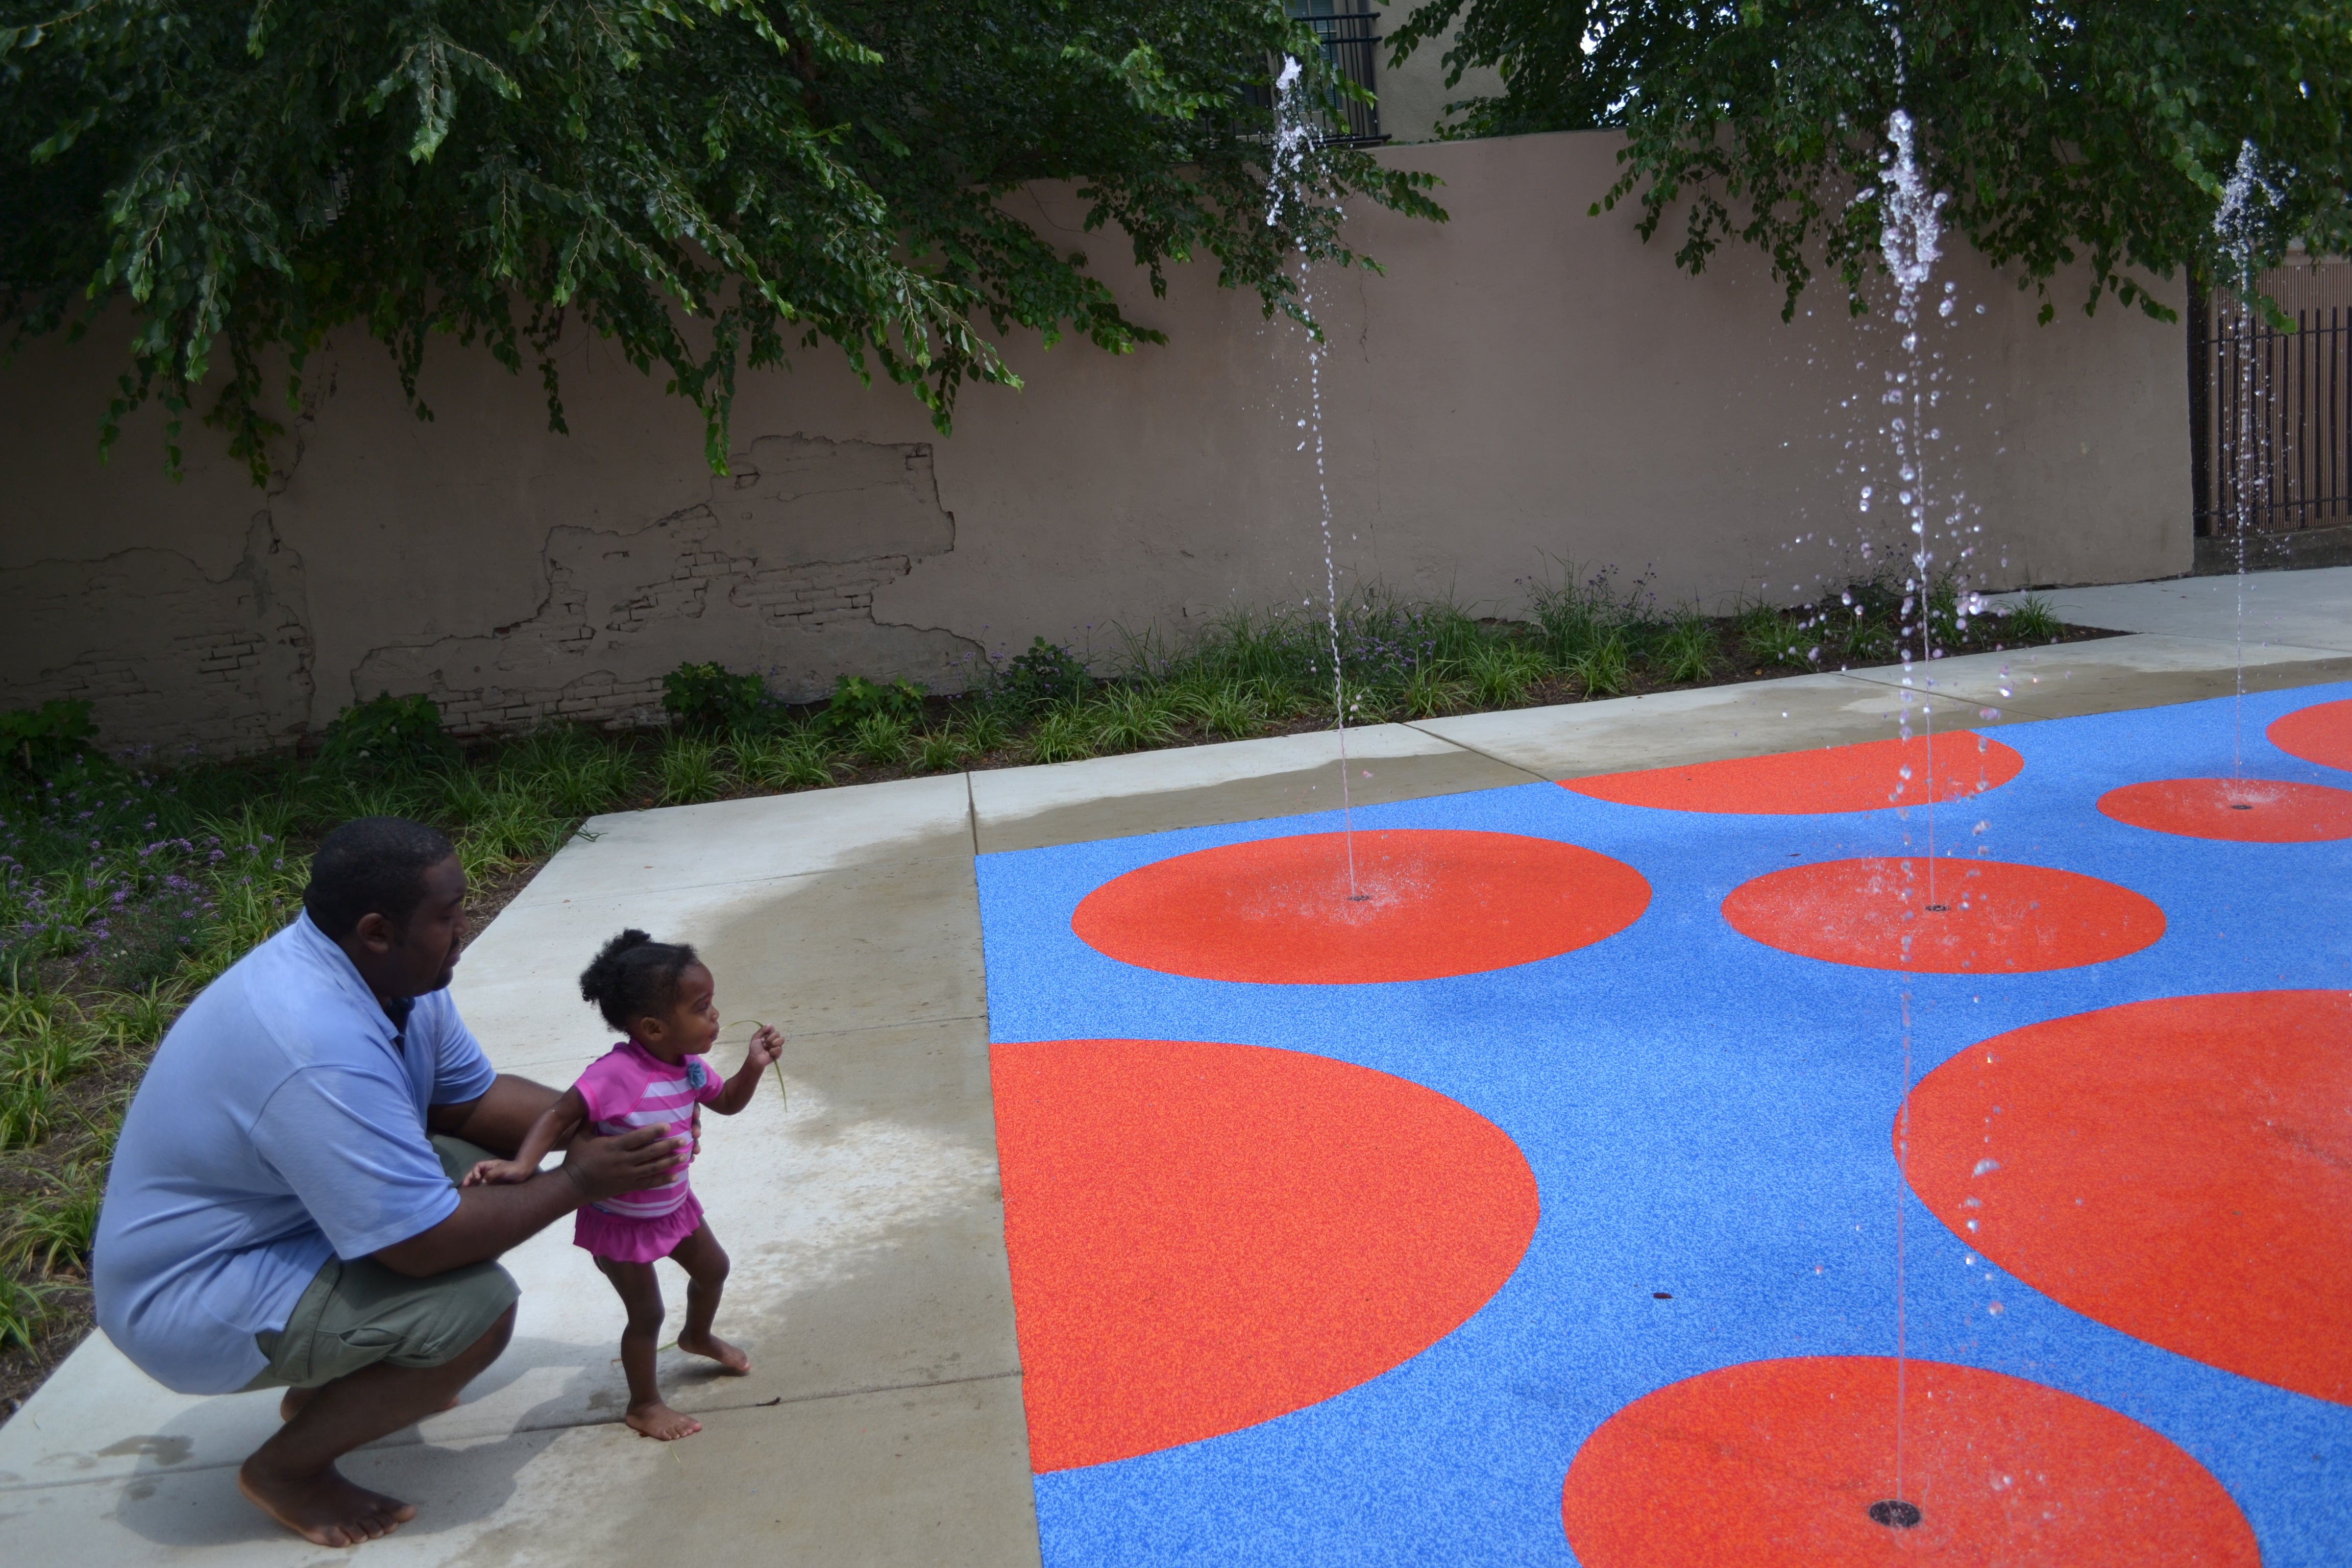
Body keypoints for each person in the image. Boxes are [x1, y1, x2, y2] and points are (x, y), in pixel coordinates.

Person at [92, 816, 691, 1549]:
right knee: (471, 1312)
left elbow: (464, 1102)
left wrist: (613, 1127)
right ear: (377, 931)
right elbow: (422, 1247)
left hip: (274, 1220)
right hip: (193, 1293)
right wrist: (580, 1181)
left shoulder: (398, 979)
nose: (463, 929)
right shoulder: (315, 1043)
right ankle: (289, 1470)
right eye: (448, 916)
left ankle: (325, 1393)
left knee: (460, 1161)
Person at [463, 929, 782, 1440]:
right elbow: (556, 1114)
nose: (716, 1016)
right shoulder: (615, 1075)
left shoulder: (690, 1069)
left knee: (714, 1269)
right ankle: (644, 1404)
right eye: (702, 1008)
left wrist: (754, 1065)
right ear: (654, 1028)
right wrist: (524, 1166)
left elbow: (727, 1103)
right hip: (620, 1223)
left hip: (675, 1209)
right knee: (646, 1313)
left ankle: (698, 1336)